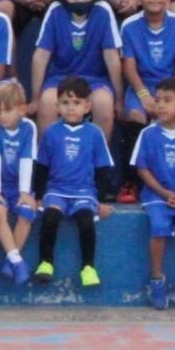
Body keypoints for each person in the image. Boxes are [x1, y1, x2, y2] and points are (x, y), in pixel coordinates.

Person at [32, 78, 113, 289]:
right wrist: (38, 195)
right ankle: (46, 263)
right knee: (50, 218)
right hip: (56, 190)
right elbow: (41, 166)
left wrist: (101, 200)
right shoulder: (51, 132)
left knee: (86, 221)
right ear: (57, 106)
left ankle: (88, 267)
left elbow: (102, 169)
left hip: (84, 192)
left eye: (77, 103)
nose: (71, 108)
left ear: (87, 106)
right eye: (65, 103)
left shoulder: (95, 133)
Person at [31, 0, 121, 137]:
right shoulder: (56, 10)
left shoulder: (103, 10)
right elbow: (40, 57)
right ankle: (46, 160)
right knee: (47, 101)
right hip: (61, 78)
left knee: (103, 103)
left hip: (95, 79)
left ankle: (100, 161)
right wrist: (35, 98)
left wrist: (119, 99)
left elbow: (112, 58)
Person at [118, 0, 175, 175]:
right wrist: (145, 96)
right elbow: (129, 68)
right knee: (135, 115)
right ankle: (131, 181)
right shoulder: (129, 25)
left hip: (172, 85)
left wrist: (168, 98)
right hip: (141, 87)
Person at [0, 80, 40, 288]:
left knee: (27, 212)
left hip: (18, 186)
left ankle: (10, 260)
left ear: (22, 110)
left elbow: (26, 160)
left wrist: (25, 192)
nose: (2, 115)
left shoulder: (29, 128)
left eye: (8, 110)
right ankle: (17, 260)